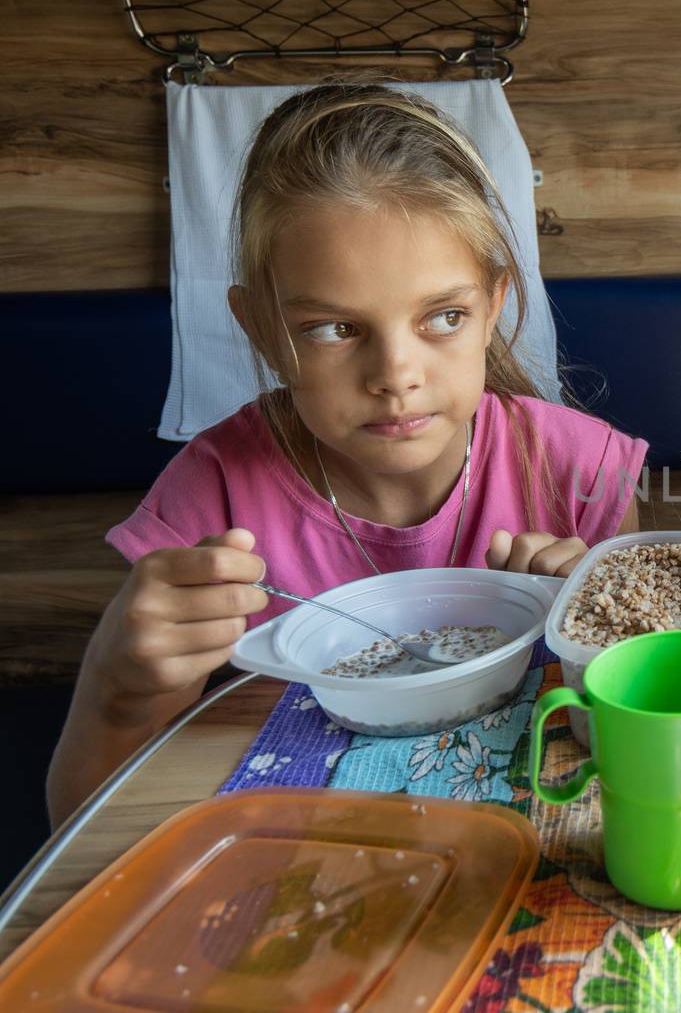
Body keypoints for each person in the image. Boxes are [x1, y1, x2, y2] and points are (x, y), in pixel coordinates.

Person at [47, 83, 645, 824]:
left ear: (493, 307)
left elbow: (642, 749)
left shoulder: (582, 476)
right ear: (262, 329)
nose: (395, 374)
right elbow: (83, 823)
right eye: (334, 328)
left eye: (444, 317)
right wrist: (119, 682)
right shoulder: (213, 501)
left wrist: (599, 643)